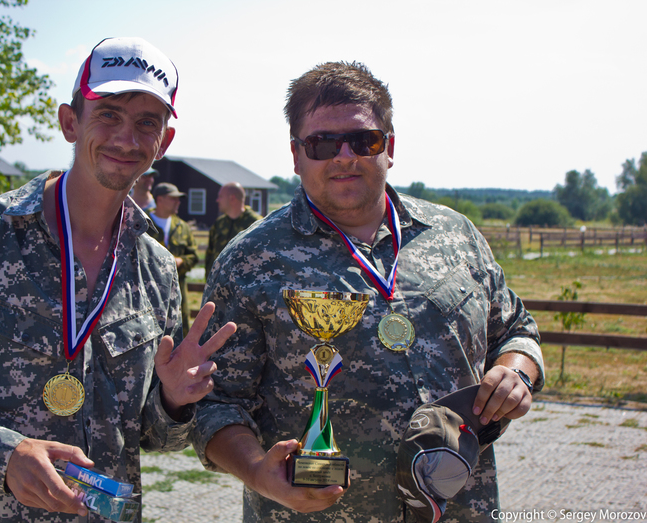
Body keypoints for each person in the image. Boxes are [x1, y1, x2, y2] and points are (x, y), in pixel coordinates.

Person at [0, 37, 235, 521]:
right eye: (109, 114)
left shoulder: (156, 268)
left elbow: (154, 437)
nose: (126, 138)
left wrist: (172, 401)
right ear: (69, 122)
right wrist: (1, 456)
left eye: (147, 122)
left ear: (163, 142)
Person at [191, 61, 543, 522]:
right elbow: (214, 402)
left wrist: (516, 372)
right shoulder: (250, 261)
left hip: (459, 508)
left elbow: (516, 329)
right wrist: (258, 471)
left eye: (363, 140)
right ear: (296, 155)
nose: (344, 156)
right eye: (321, 143)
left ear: (389, 147)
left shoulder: (456, 235)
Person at [147, 182, 199, 334]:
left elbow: (193, 255)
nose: (178, 202)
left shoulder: (182, 227)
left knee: (179, 333)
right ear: (160, 199)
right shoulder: (142, 223)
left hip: (176, 292)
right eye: (173, 198)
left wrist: (181, 261)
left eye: (178, 199)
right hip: (148, 293)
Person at [204, 182, 263, 276]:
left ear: (232, 198)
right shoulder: (219, 224)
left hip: (245, 287)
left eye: (220, 196)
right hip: (218, 286)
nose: (217, 200)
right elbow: (209, 256)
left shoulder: (256, 224)